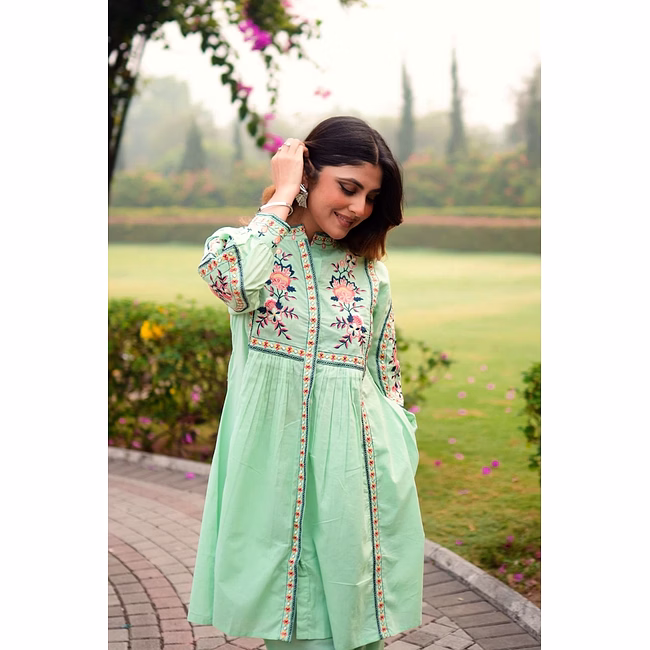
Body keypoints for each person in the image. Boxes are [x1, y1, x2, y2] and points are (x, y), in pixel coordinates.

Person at [188, 116, 424, 650]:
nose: (359, 208)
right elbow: (232, 282)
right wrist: (282, 195)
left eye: (371, 197)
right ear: (308, 174)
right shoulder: (248, 249)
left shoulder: (370, 274)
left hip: (354, 470)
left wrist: (399, 444)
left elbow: (384, 373)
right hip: (272, 469)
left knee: (356, 621)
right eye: (348, 188)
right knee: (288, 619)